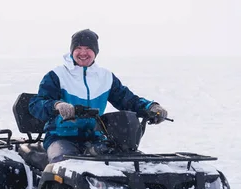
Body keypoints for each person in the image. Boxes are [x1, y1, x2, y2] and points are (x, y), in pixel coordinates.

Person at [29, 28, 168, 163]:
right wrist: (57, 105)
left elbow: (128, 100)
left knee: (124, 163)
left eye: (88, 48)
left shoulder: (105, 77)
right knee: (65, 166)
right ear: (72, 51)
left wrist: (151, 107)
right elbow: (36, 104)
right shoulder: (57, 75)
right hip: (61, 137)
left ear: (95, 52)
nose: (83, 52)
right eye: (78, 48)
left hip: (95, 138)